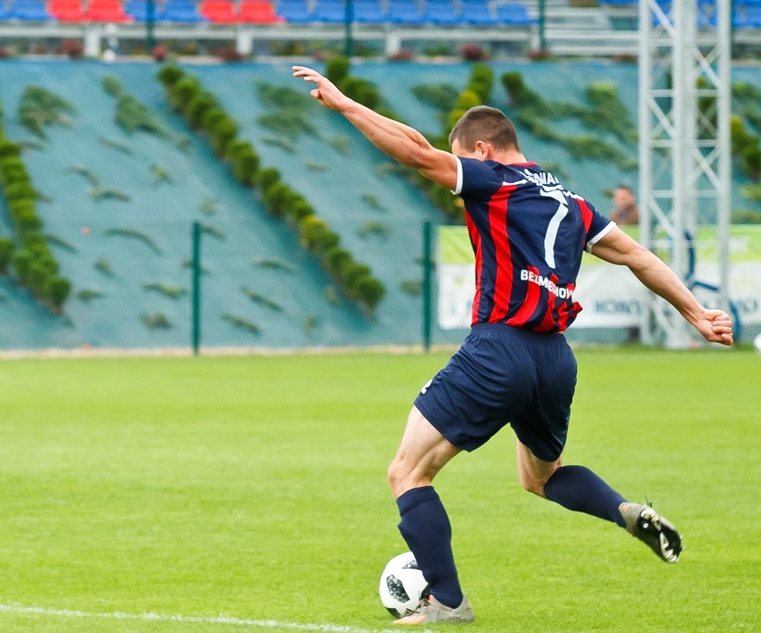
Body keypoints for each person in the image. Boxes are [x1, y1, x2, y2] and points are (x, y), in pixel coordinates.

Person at [292, 66, 734, 626]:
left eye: (465, 158)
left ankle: (447, 602)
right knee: (540, 478)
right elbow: (638, 257)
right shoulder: (573, 202)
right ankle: (623, 509)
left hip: (499, 348)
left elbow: (414, 151)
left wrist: (347, 104)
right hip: (555, 359)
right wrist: (696, 313)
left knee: (408, 473)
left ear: (482, 149)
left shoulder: (493, 181)